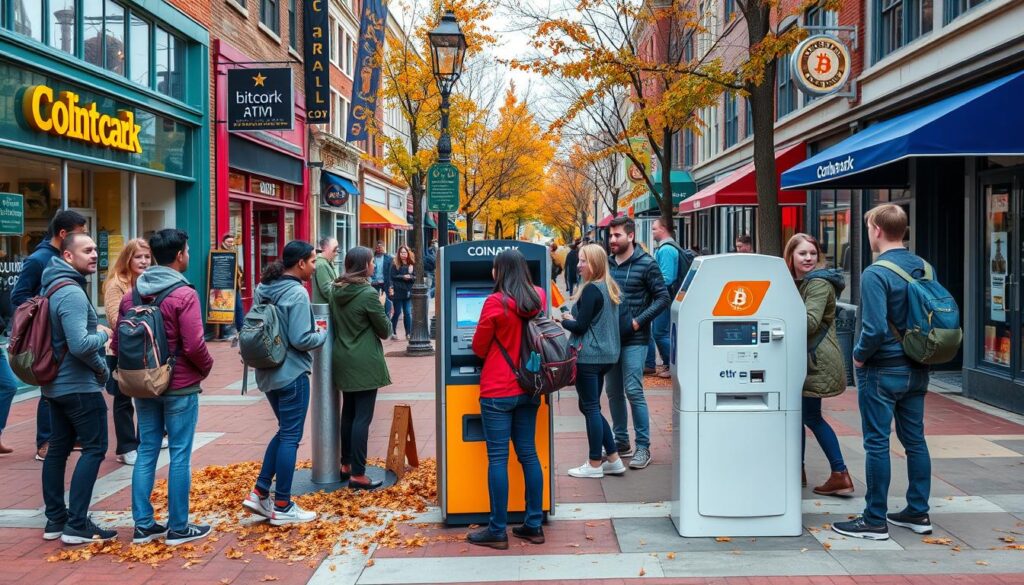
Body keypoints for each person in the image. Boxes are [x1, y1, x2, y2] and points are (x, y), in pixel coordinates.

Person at [834, 204, 933, 541]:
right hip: (917, 366)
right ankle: (918, 512)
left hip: (881, 370)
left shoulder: (876, 273)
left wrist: (858, 358)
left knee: (877, 443)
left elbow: (873, 329)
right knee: (915, 441)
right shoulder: (924, 267)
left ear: (876, 229)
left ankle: (874, 519)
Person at [117, 229, 214, 546]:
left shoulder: (131, 295)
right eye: (187, 250)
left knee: (146, 450)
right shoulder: (184, 294)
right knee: (180, 454)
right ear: (181, 254)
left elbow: (119, 342)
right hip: (180, 384)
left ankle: (143, 525)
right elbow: (194, 344)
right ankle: (179, 527)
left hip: (144, 384)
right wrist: (207, 368)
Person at [243, 241, 328, 525]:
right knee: (291, 436)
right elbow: (302, 338)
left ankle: (260, 492)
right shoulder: (296, 293)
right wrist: (322, 333)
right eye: (313, 261)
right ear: (301, 263)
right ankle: (283, 505)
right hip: (291, 372)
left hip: (267, 370)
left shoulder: (263, 288)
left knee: (284, 432)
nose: (315, 267)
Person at [39, 233, 115, 544]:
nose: (95, 254)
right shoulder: (70, 292)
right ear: (68, 257)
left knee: (58, 450)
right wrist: (103, 336)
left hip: (56, 387)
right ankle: (77, 524)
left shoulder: (52, 285)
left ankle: (56, 520)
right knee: (95, 449)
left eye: (96, 249)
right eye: (87, 250)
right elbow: (80, 344)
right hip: (78, 387)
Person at [468, 249, 546, 549]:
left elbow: (478, 346)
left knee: (498, 459)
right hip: (530, 386)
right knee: (528, 454)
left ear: (499, 271)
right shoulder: (538, 296)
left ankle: (498, 530)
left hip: (498, 389)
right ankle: (533, 525)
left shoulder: (494, 302)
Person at [12, 209, 88, 462]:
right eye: (82, 233)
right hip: (47, 336)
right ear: (64, 234)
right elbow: (18, 297)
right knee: (48, 389)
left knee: (66, 385)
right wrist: (46, 310)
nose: (86, 239)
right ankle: (45, 441)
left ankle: (68, 435)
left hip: (69, 333)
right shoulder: (38, 260)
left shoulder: (66, 257)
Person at [784, 234, 853, 497]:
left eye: (812, 253)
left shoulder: (818, 284)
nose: (809, 258)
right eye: (803, 253)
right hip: (811, 358)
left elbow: (809, 322)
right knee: (801, 416)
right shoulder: (803, 283)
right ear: (791, 256)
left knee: (810, 416)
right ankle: (798, 470)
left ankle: (840, 473)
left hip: (816, 360)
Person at [606, 216, 669, 470]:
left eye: (617, 235)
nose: (612, 240)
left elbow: (663, 298)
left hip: (635, 338)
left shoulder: (647, 264)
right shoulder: (608, 264)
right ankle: (621, 442)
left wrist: (638, 322)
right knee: (612, 392)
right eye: (610, 236)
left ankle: (643, 446)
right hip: (610, 339)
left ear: (630, 236)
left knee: (633, 390)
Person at [329, 246, 392, 490]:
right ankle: (358, 473)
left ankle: (346, 464)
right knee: (362, 419)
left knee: (349, 413)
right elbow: (385, 330)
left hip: (343, 356)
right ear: (364, 266)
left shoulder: (336, 290)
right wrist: (382, 304)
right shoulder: (367, 294)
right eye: (372, 262)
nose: (375, 265)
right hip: (364, 361)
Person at [560, 244, 624, 479]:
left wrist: (565, 320)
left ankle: (595, 463)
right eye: (579, 260)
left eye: (583, 261)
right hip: (608, 355)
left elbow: (580, 326)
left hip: (589, 356)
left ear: (595, 263)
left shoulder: (591, 290)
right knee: (591, 407)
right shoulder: (609, 287)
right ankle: (614, 459)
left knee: (590, 408)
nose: (578, 265)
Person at [103, 238, 151, 465]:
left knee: (147, 393)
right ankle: (126, 446)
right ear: (128, 259)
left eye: (147, 257)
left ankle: (145, 440)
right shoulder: (116, 284)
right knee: (123, 399)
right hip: (121, 350)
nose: (143, 261)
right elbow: (115, 319)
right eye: (138, 257)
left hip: (147, 348)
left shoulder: (151, 280)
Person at [645, 219, 682, 379]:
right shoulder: (669, 248)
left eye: (654, 229)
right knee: (660, 332)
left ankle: (674, 364)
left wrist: (650, 285)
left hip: (664, 297)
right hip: (666, 296)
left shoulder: (666, 250)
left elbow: (667, 278)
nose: (652, 232)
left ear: (664, 229)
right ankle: (670, 364)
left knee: (659, 332)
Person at [221, 233, 244, 342]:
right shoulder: (220, 253)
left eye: (231, 242)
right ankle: (226, 333)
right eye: (228, 242)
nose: (230, 244)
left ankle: (241, 330)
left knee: (238, 308)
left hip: (235, 287)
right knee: (226, 310)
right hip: (225, 287)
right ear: (223, 242)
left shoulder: (233, 252)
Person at [390, 245, 415, 340]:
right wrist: (403, 276)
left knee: (408, 313)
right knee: (397, 312)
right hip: (398, 291)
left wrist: (411, 275)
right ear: (398, 254)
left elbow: (416, 277)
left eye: (405, 252)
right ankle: (393, 331)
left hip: (408, 292)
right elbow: (392, 276)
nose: (403, 254)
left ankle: (408, 333)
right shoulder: (395, 264)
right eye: (401, 253)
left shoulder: (412, 264)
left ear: (408, 253)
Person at [313, 236, 339, 304]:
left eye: (337, 250)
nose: (336, 253)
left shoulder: (326, 262)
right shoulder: (322, 264)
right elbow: (327, 291)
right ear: (325, 248)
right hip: (324, 309)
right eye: (334, 250)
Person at [371, 241, 393, 318]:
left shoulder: (389, 258)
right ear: (375, 248)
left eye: (381, 247)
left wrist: (391, 285)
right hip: (374, 284)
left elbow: (391, 273)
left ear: (384, 248)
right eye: (377, 247)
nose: (379, 249)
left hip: (385, 284)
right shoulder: (372, 258)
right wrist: (372, 281)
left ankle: (387, 319)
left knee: (387, 303)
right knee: (375, 303)